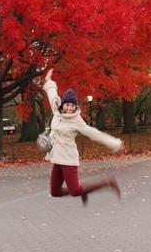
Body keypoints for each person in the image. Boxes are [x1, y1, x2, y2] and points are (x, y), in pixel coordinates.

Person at [43, 68, 124, 205]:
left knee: (75, 191)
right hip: (57, 158)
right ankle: (84, 190)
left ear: (75, 107)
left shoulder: (77, 121)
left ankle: (107, 182)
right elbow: (52, 94)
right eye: (67, 105)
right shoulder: (57, 111)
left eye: (72, 106)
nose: (70, 108)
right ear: (63, 105)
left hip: (68, 159)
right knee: (55, 192)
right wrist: (48, 81)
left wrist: (114, 143)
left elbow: (94, 134)